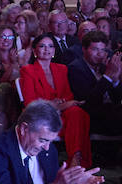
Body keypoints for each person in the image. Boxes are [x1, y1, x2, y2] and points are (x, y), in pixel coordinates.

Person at [19, 34, 90, 165]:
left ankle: (76, 158)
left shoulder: (62, 69)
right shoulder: (27, 70)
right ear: (35, 51)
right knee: (76, 115)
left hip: (64, 116)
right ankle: (76, 162)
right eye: (42, 46)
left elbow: (68, 96)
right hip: (42, 118)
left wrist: (62, 104)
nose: (47, 49)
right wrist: (55, 106)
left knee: (77, 113)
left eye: (51, 46)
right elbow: (30, 104)